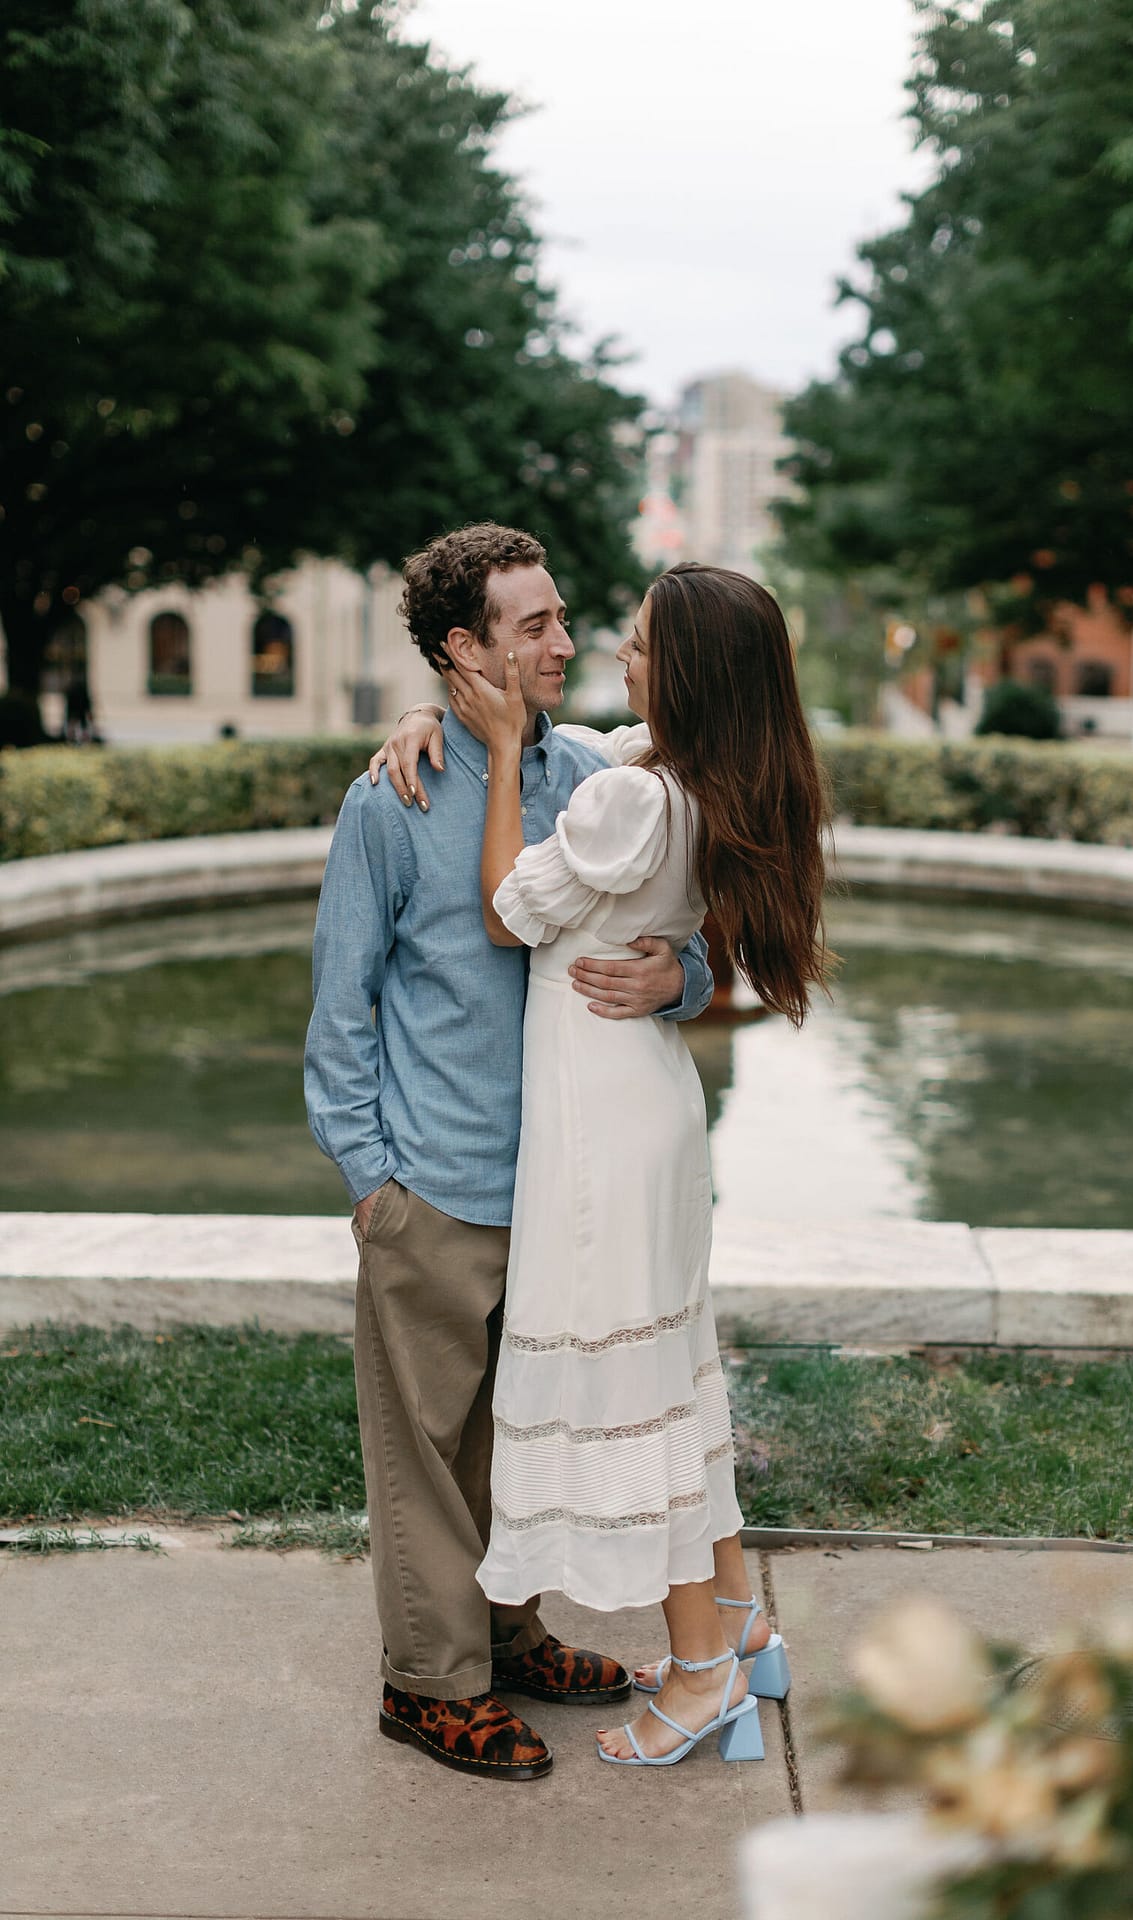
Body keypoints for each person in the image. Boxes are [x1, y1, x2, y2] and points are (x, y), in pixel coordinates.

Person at [380, 561, 829, 1768]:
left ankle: (698, 1675)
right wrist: (439, 711)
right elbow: (574, 744)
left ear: (685, 673)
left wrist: (498, 759)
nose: (611, 657)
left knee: (632, 1391)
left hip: (601, 1119)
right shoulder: (685, 771)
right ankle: (737, 1624)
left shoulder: (631, 796)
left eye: (635, 644)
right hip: (646, 1102)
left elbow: (505, 912)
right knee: (673, 1372)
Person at [304, 523, 715, 1785]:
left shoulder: (592, 769)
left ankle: (507, 1635)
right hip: (434, 1189)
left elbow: (693, 925)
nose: (562, 643)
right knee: (426, 1456)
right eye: (531, 626)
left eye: (560, 618)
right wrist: (373, 1185)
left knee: (515, 1432)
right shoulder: (391, 800)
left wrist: (680, 980)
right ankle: (431, 1684)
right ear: (463, 649)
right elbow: (340, 1014)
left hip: (562, 1189)